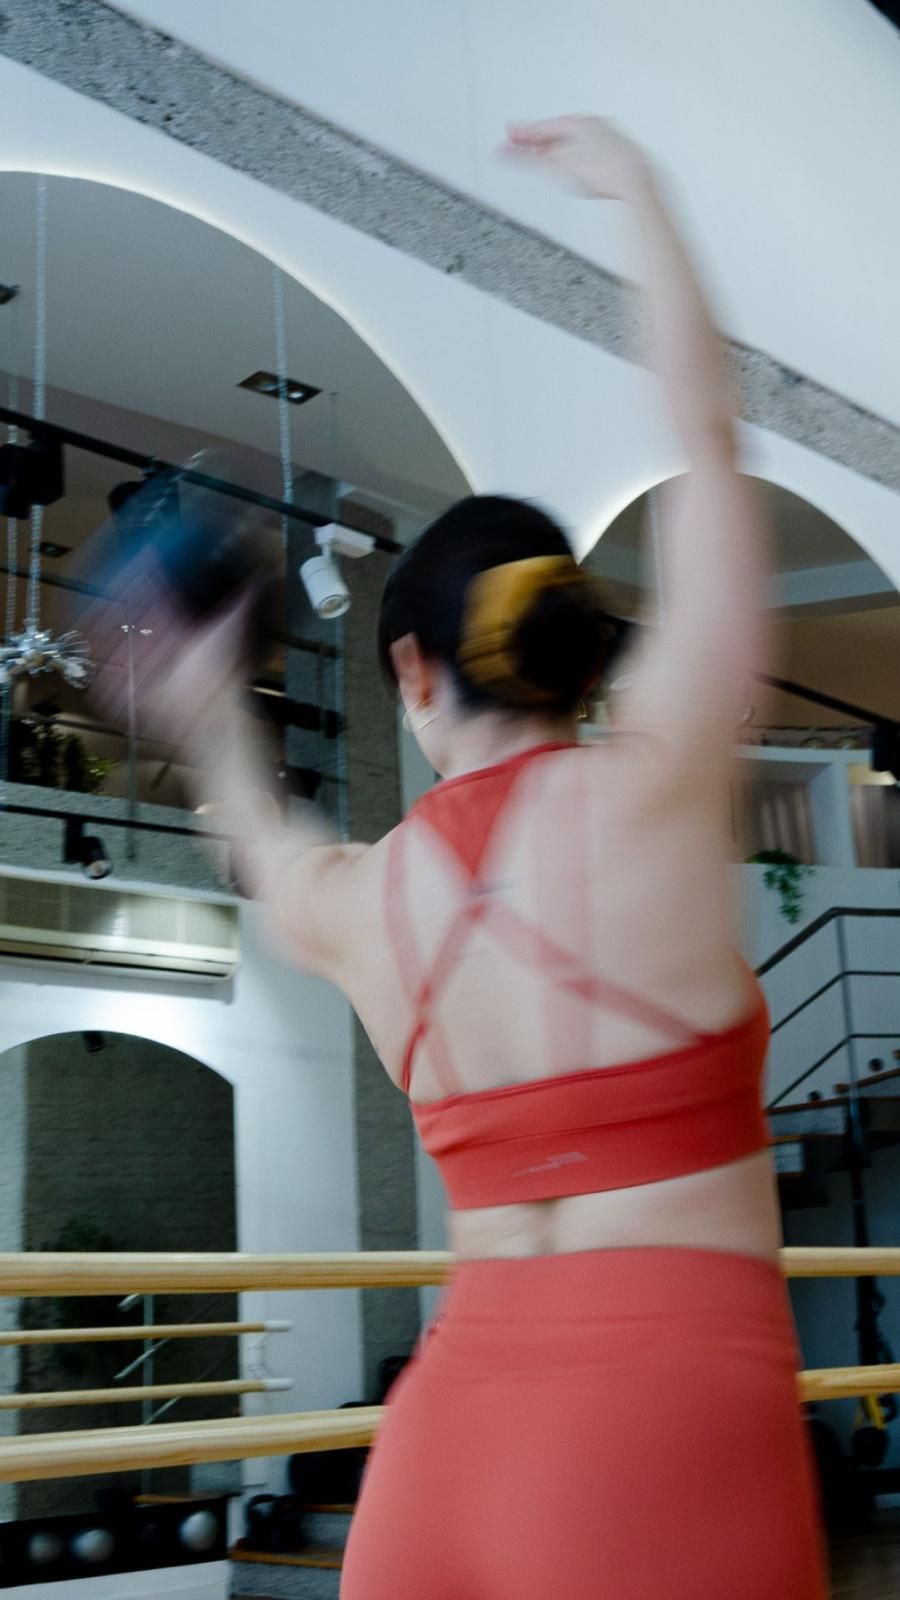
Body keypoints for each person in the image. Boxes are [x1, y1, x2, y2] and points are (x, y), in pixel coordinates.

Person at [110, 118, 827, 1598]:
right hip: (663, 1419)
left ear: (413, 670)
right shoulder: (655, 792)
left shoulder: (359, 902)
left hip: (446, 1437)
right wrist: (641, 191)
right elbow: (708, 450)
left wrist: (189, 679)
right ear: (563, 651)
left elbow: (246, 818)